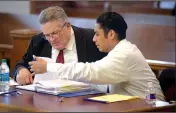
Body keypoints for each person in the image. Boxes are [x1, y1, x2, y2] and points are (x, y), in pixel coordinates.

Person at [29, 12, 165, 100]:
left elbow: (91, 72)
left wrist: (49, 67)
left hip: (151, 108)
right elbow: (102, 82)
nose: (94, 39)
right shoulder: (120, 51)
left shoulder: (125, 54)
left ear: (111, 34)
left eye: (97, 34)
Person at [12, 6, 107, 85]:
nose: (52, 39)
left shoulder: (91, 39)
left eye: (55, 33)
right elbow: (21, 65)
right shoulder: (38, 41)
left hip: (84, 101)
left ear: (68, 26)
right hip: (47, 101)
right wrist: (20, 71)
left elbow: (105, 72)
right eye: (47, 35)